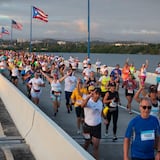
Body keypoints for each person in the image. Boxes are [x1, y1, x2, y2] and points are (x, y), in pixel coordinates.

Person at [81, 87, 103, 160]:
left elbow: (101, 111)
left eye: (99, 94)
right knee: (87, 143)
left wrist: (105, 118)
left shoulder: (100, 103)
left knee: (96, 146)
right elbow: (82, 105)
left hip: (97, 126)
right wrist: (88, 97)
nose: (97, 96)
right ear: (93, 94)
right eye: (96, 94)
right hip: (87, 126)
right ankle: (82, 156)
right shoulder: (89, 102)